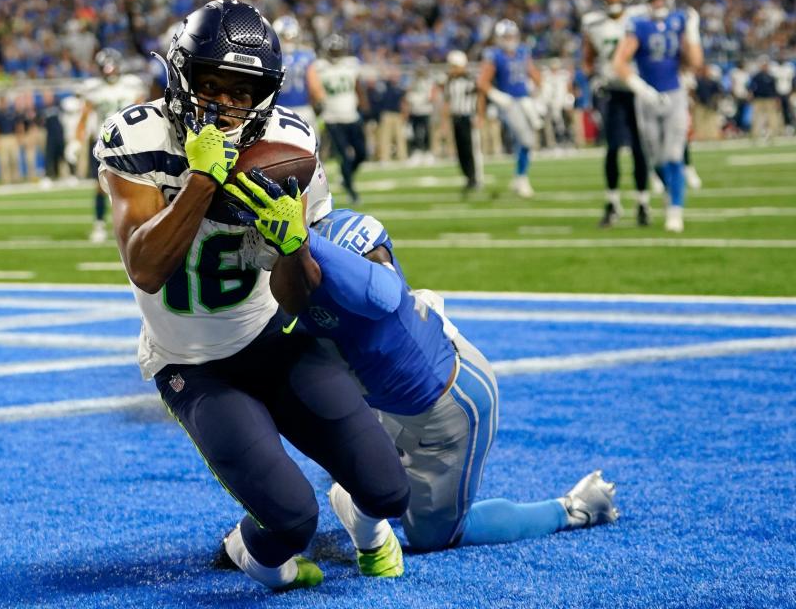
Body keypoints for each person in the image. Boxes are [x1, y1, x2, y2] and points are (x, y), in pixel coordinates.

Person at [92, 0, 409, 590]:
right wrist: (202, 180)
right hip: (192, 363)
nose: (227, 105)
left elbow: (296, 299)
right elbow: (147, 267)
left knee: (390, 489)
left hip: (272, 337)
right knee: (291, 521)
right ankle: (247, 550)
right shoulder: (138, 136)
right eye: (213, 86)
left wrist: (293, 247)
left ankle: (365, 525)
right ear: (181, 76)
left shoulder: (290, 141)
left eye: (245, 91)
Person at [225, 176, 620, 557]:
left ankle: (573, 507)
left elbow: (383, 293)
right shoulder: (272, 276)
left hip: (446, 403)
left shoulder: (343, 234)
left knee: (432, 536)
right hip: (384, 396)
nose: (252, 234)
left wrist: (304, 242)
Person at [613, 0, 703, 233]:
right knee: (656, 158)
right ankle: (669, 192)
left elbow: (695, 61)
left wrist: (693, 32)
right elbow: (619, 63)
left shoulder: (678, 22)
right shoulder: (638, 25)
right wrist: (641, 88)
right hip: (647, 99)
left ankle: (675, 210)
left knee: (674, 155)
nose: (658, 3)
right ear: (646, 3)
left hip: (674, 95)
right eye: (653, 0)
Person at [582, 0, 650, 227]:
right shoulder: (592, 23)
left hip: (636, 89)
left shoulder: (639, 18)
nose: (613, 0)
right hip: (611, 91)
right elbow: (587, 58)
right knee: (611, 149)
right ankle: (612, 202)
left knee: (639, 148)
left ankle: (643, 202)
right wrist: (592, 77)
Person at [75, 48, 146, 243]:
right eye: (106, 68)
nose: (110, 71)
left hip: (131, 142)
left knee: (138, 185)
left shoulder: (132, 85)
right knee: (101, 186)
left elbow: (144, 112)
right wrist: (75, 142)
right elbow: (84, 117)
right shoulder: (94, 88)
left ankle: (137, 225)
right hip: (104, 144)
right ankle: (99, 224)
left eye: (112, 67)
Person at [478, 19, 542, 199]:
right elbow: (482, 82)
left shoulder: (523, 52)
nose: (510, 39)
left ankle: (520, 176)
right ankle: (521, 178)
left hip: (526, 101)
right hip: (509, 103)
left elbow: (533, 72)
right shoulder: (494, 55)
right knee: (526, 140)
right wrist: (497, 96)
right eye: (506, 36)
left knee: (526, 141)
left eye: (512, 35)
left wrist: (538, 87)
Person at [311, 34, 366, 204]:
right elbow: (314, 90)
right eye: (332, 51)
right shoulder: (319, 67)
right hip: (332, 118)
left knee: (363, 154)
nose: (335, 54)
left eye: (337, 51)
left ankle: (345, 177)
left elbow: (357, 86)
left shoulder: (351, 64)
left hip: (352, 116)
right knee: (345, 156)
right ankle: (351, 190)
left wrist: (364, 105)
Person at [272, 15, 319, 130]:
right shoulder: (306, 55)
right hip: (303, 111)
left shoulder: (271, 57)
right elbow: (315, 88)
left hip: (276, 112)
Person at [444, 50, 481, 196]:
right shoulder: (450, 82)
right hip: (456, 117)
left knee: (470, 149)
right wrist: (445, 121)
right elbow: (447, 102)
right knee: (460, 151)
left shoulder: (470, 80)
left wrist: (479, 116)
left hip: (467, 117)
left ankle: (474, 177)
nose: (451, 69)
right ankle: (468, 177)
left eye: (454, 66)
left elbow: (479, 99)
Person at [0, 95, 22, 185]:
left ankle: (16, 179)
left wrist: (19, 137)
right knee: (3, 161)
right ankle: (5, 180)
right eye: (2, 102)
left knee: (14, 160)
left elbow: (18, 125)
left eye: (5, 102)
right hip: (2, 138)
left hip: (12, 137)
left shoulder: (12, 112)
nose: (4, 104)